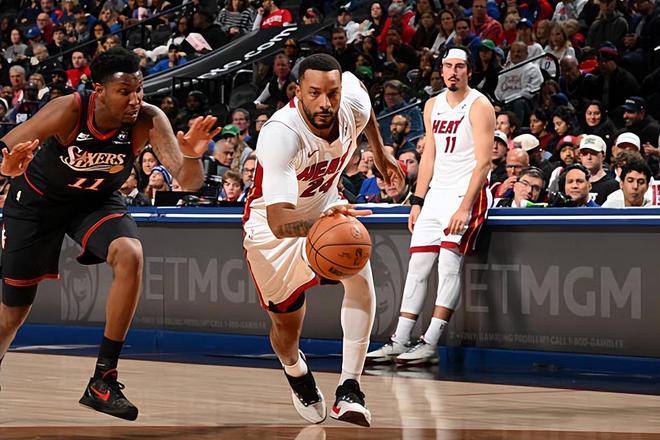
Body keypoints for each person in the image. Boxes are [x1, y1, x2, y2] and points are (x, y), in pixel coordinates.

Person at [0, 47, 219, 421]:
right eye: (125, 91)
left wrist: (193, 155)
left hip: (95, 200)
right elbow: (7, 146)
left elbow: (188, 181)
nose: (135, 99)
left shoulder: (149, 119)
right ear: (98, 90)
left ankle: (103, 379)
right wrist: (7, 167)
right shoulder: (70, 109)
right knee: (13, 314)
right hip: (37, 203)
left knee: (130, 253)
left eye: (139, 90)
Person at [243, 53, 403, 427]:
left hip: (328, 208)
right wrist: (319, 223)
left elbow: (365, 109)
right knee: (286, 331)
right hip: (272, 232)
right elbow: (280, 222)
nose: (325, 103)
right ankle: (295, 370)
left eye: (333, 93)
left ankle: (350, 388)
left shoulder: (351, 102)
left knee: (359, 273)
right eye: (315, 93)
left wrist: (380, 153)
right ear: (297, 92)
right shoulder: (281, 134)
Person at [366, 46, 495, 365]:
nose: (453, 72)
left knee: (448, 265)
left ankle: (430, 342)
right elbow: (430, 157)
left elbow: (484, 163)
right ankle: (399, 340)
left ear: (469, 71)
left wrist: (464, 207)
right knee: (418, 267)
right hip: (436, 194)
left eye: (459, 66)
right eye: (448, 66)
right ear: (441, 70)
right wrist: (418, 201)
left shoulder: (479, 105)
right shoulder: (432, 105)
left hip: (466, 193)